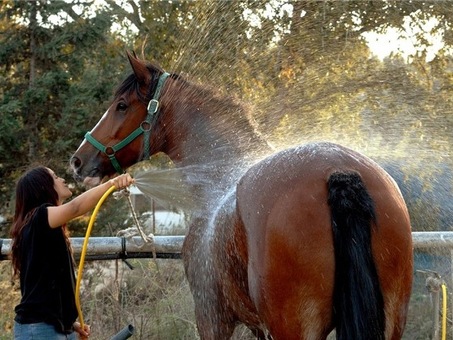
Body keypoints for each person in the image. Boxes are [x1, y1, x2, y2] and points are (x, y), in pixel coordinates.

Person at [10, 166, 134, 339]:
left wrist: (70, 324)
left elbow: (43, 289)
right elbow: (75, 208)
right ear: (43, 187)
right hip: (39, 330)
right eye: (55, 177)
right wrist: (112, 184)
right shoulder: (39, 217)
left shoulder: (41, 226)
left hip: (53, 327)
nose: (62, 179)